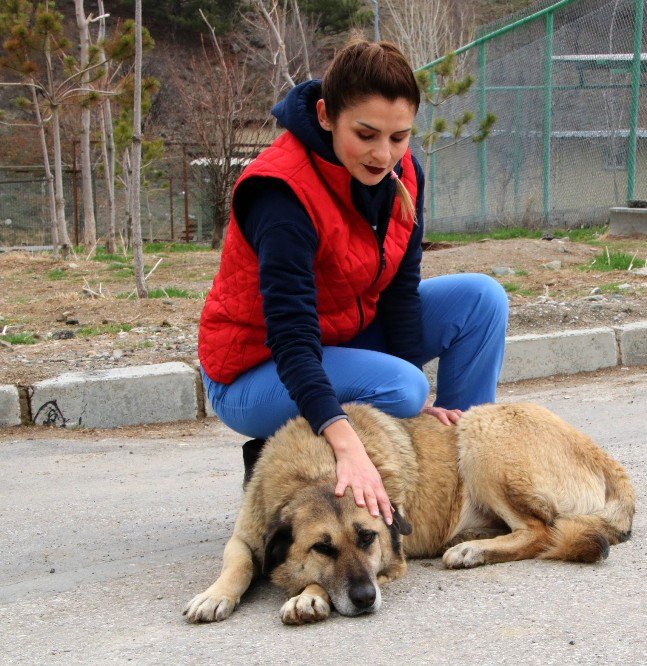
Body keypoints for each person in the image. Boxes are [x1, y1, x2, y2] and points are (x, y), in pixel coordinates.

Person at [198, 38, 508, 527]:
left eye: (399, 136)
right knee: (401, 389)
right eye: (365, 135)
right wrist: (346, 436)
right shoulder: (280, 192)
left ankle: (459, 481)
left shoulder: (403, 174)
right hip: (255, 370)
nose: (383, 155)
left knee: (481, 300)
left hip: (340, 338)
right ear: (325, 116)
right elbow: (291, 336)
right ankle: (277, 447)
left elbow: (401, 292)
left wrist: (419, 411)